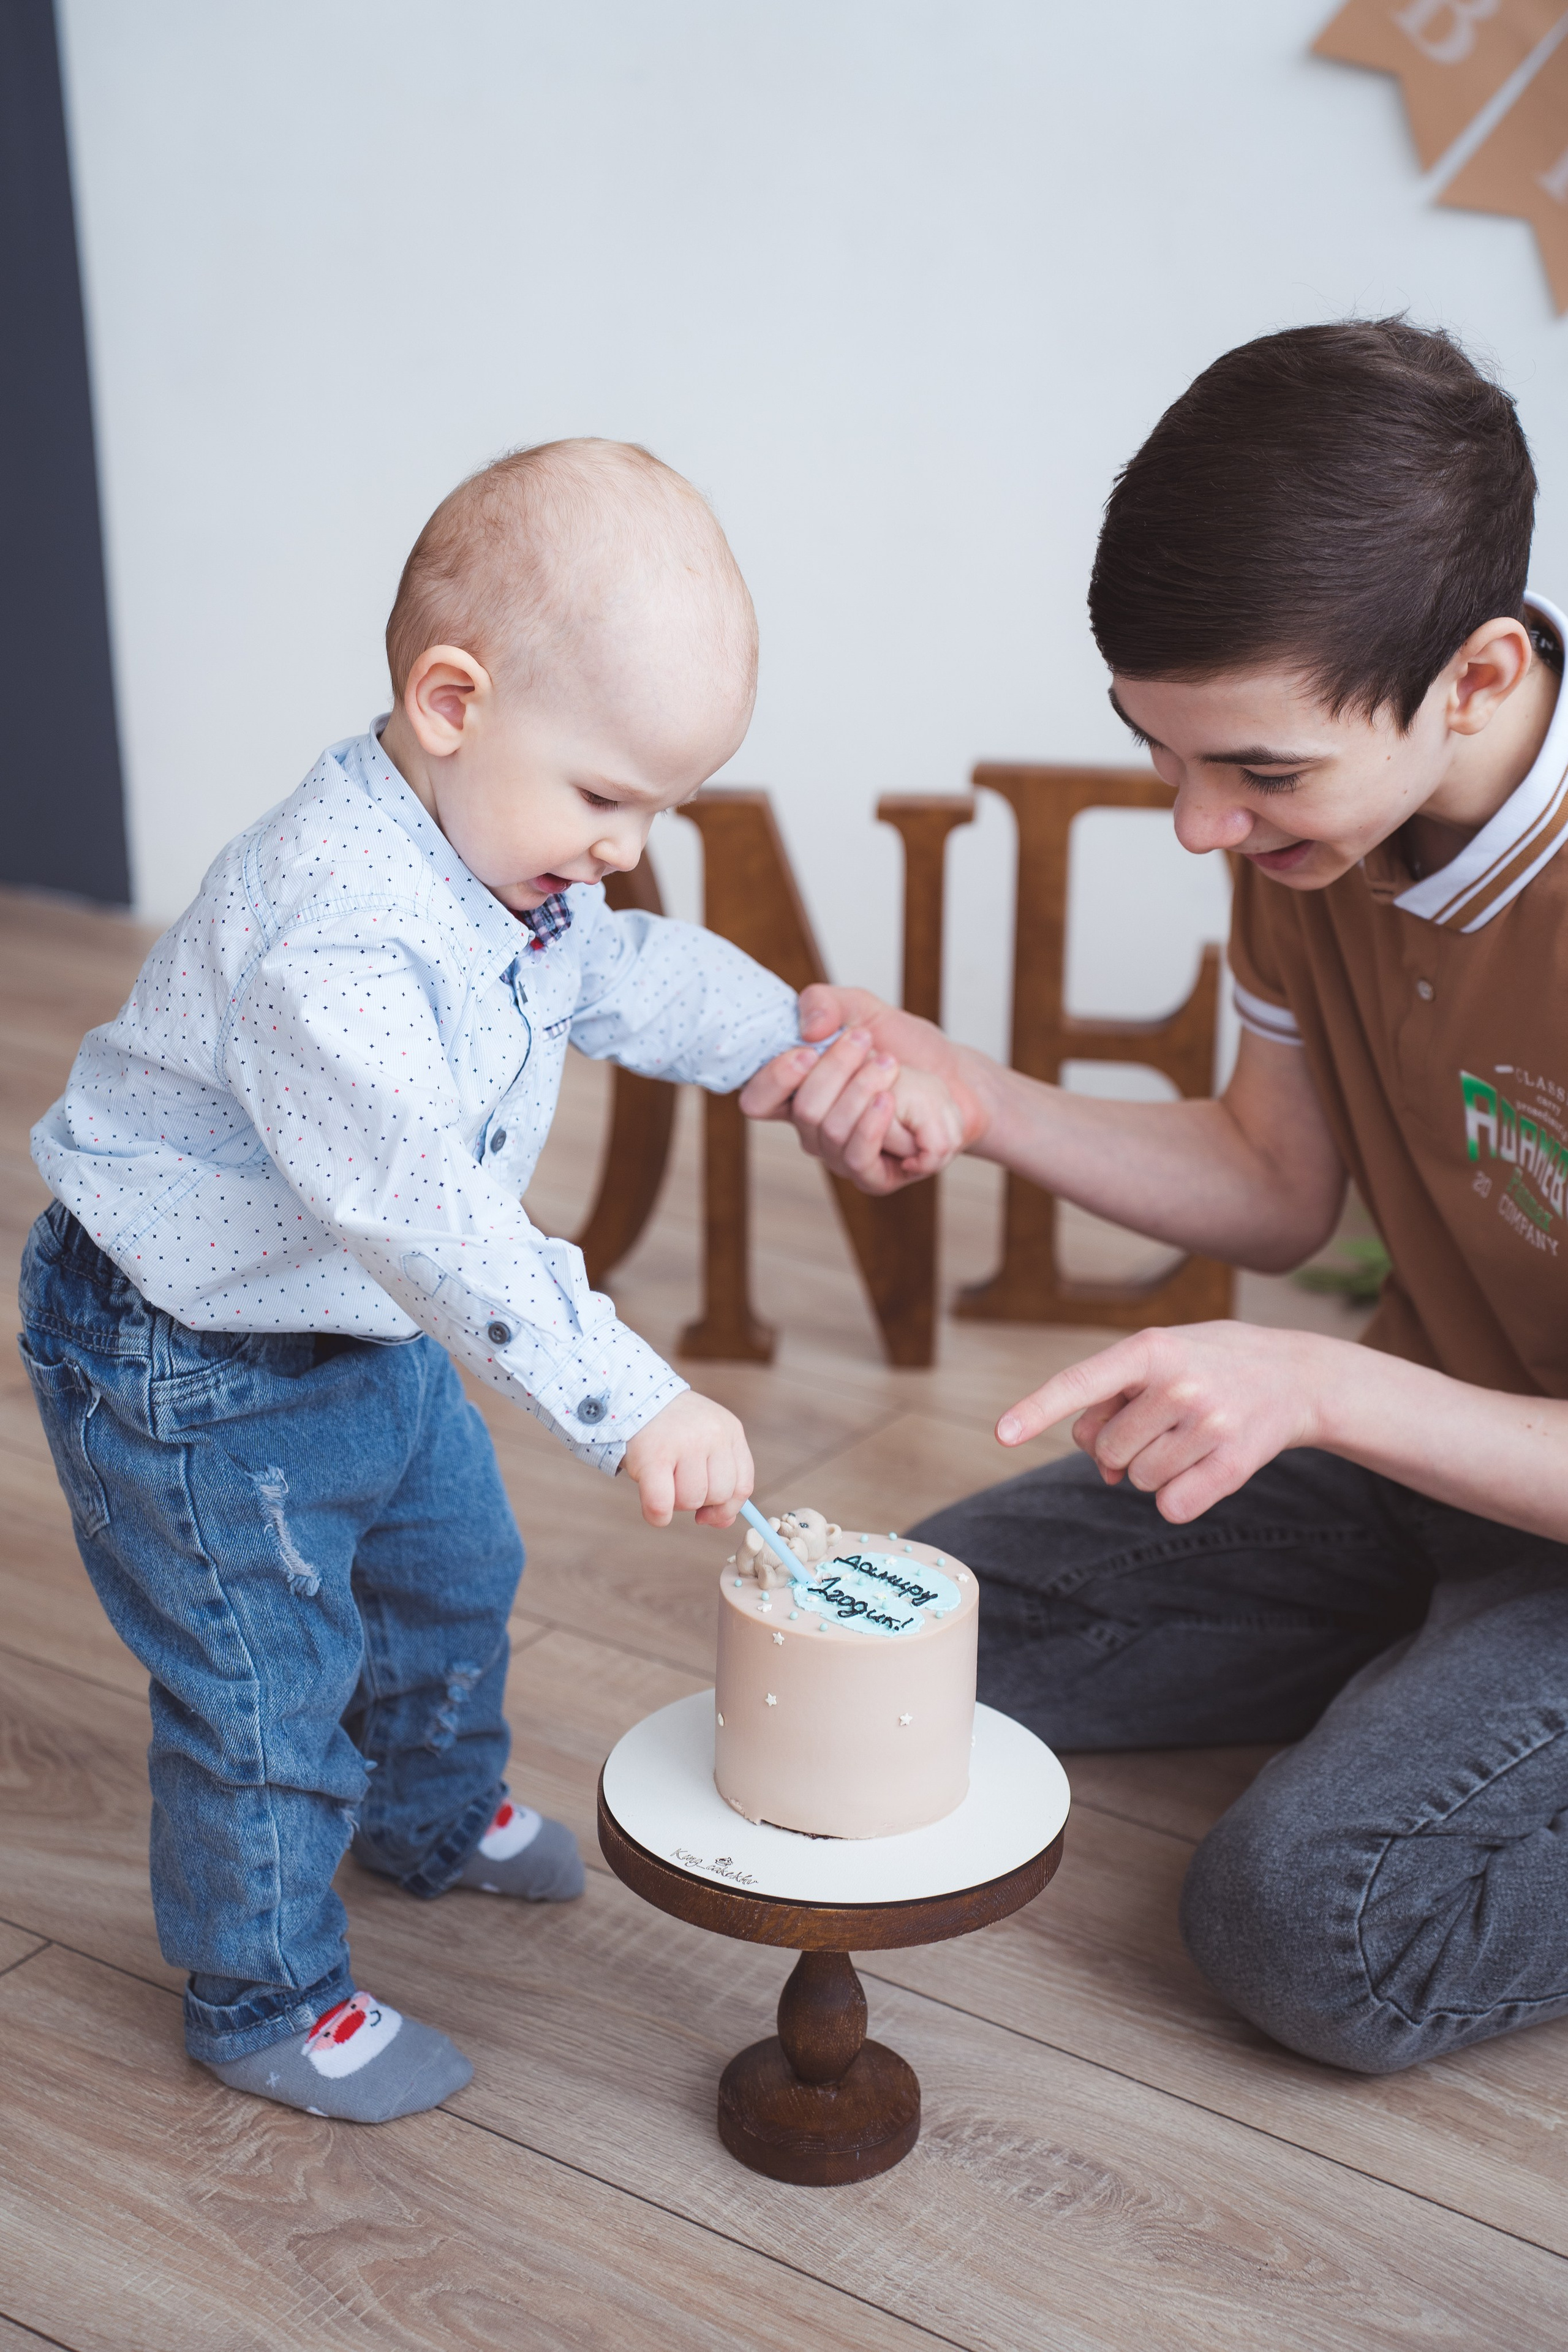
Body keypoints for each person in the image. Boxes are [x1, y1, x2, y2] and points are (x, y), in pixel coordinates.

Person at [17, 436, 959, 2122]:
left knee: (458, 1565)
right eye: (608, 800)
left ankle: (430, 1816)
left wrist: (783, 1052)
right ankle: (264, 1995)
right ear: (450, 703)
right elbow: (431, 1215)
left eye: (660, 809)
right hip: (190, 1367)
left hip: (351, 1325)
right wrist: (633, 1396)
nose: (624, 848)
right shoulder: (336, 930)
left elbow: (628, 974)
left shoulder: (501, 854)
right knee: (262, 1689)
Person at [742, 320, 1568, 2077]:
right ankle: (1423, 1672)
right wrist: (974, 1100)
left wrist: (1323, 1385)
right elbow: (1275, 1189)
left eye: (1259, 772)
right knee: (903, 1628)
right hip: (1425, 1460)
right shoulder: (1321, 833)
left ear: (1480, 679)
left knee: (1304, 1921)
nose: (1202, 827)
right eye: (1163, 754)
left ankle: (1434, 1702)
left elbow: (1314, 1341)